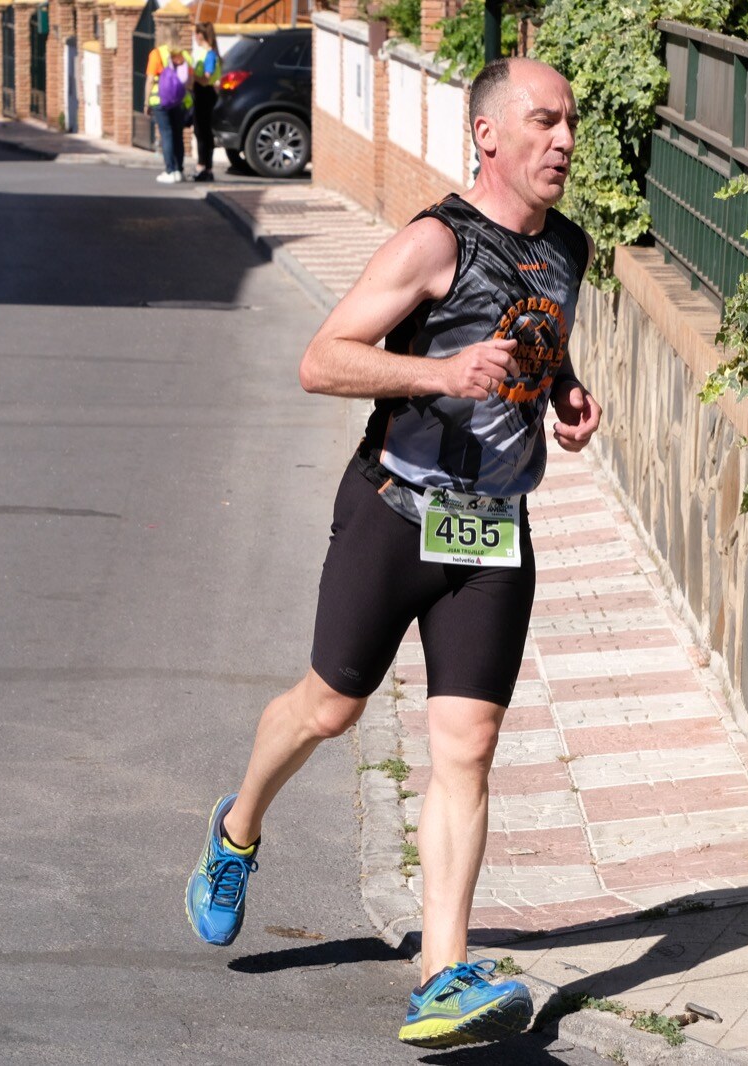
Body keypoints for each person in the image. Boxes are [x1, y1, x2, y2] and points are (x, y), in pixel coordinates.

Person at [184, 57, 602, 1050]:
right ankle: (236, 828)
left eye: (570, 123)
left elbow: (531, 341)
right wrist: (439, 369)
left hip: (495, 529)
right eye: (543, 121)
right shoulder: (434, 241)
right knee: (331, 707)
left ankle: (440, 974)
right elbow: (321, 358)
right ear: (489, 136)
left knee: (466, 747)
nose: (564, 140)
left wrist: (563, 393)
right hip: (394, 514)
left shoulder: (569, 250)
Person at [143, 37, 191, 184]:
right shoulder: (184, 55)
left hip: (160, 100)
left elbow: (151, 79)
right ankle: (179, 170)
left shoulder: (156, 54)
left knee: (166, 134)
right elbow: (190, 79)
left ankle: (169, 170)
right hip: (178, 101)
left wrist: (146, 102)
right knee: (178, 134)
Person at [190, 22, 221, 182]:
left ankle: (204, 167)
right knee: (202, 132)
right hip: (204, 94)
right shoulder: (207, 52)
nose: (194, 37)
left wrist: (191, 74)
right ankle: (204, 166)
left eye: (196, 34)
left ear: (201, 35)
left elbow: (206, 78)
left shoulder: (209, 54)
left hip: (205, 94)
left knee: (202, 132)